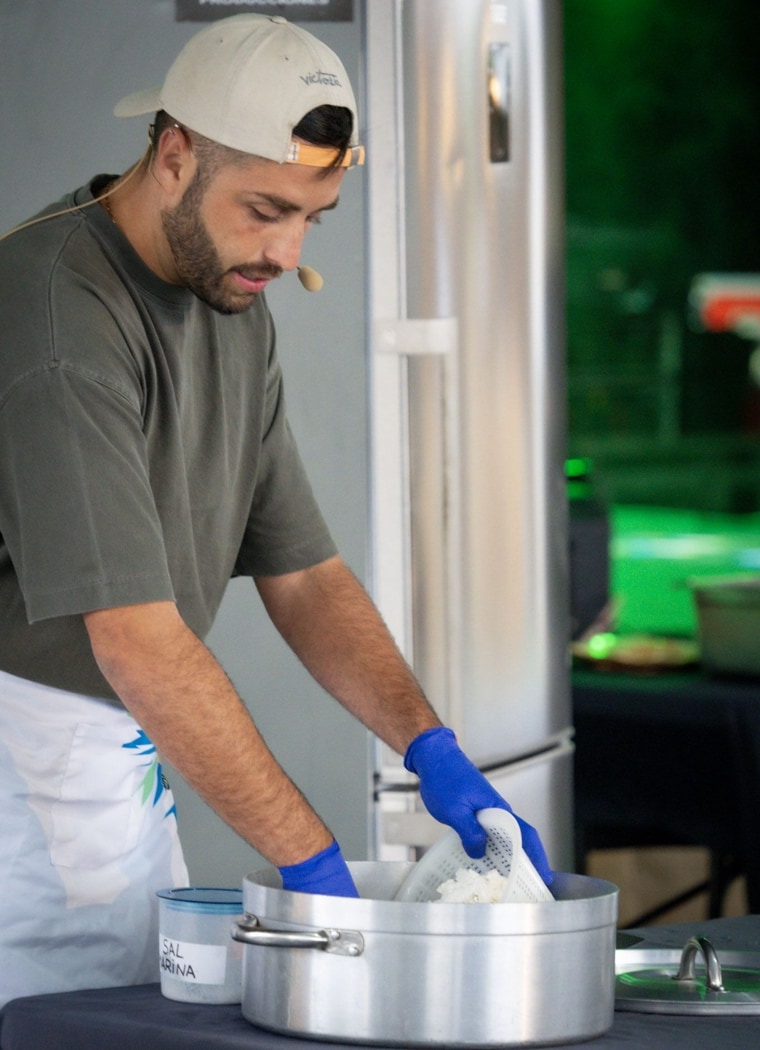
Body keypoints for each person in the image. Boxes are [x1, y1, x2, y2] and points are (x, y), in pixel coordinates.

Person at [0, 14, 552, 1006]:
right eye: (264, 208)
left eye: (313, 216)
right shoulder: (54, 314)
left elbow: (304, 575)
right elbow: (135, 638)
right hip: (19, 773)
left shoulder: (229, 298)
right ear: (173, 154)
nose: (286, 250)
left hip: (117, 762)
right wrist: (314, 869)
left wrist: (431, 750)